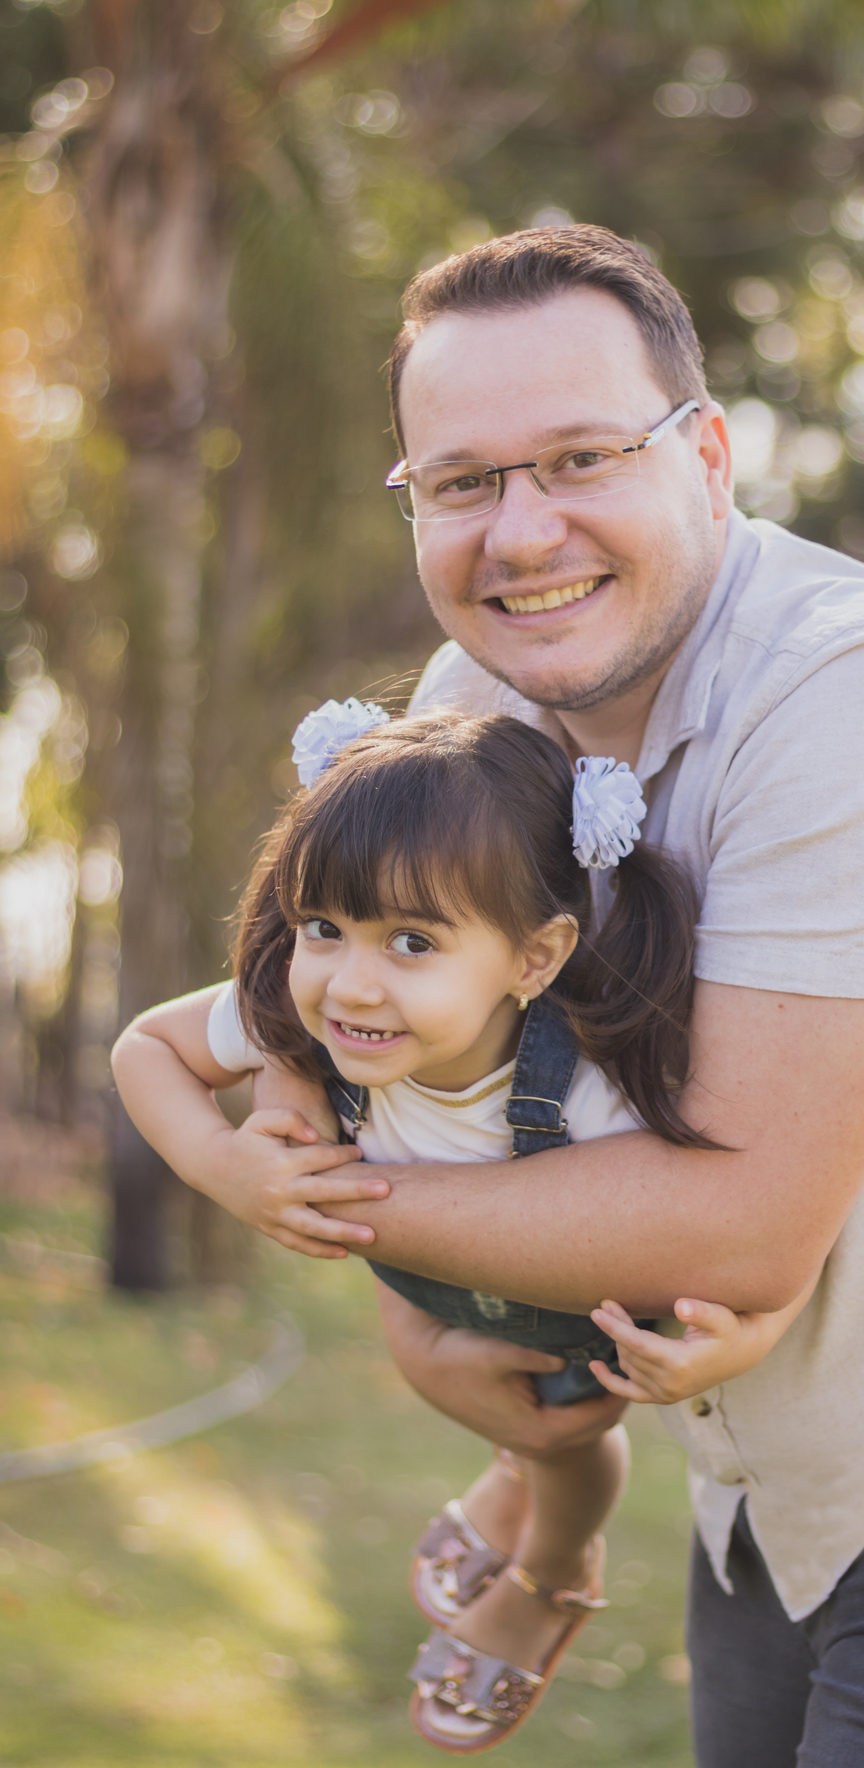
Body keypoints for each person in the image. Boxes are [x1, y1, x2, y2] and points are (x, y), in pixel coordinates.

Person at [127, 224, 864, 1766]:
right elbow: (384, 1009)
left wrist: (316, 1207)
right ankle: (545, 1536)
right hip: (757, 1451)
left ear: (706, 457)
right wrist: (312, 1129)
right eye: (462, 482)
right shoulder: (480, 701)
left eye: (581, 458)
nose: (522, 532)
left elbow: (734, 1226)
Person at [111, 704, 805, 1753]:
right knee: (503, 1420)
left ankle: (555, 1571)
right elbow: (145, 1048)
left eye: (413, 943)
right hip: (445, 1302)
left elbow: (752, 1223)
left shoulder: (596, 1083)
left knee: (568, 1443)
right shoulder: (306, 1019)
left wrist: (749, 1335)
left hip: (578, 1327)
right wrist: (224, 1166)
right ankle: (510, 1474)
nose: (352, 982)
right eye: (323, 927)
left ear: (535, 957)